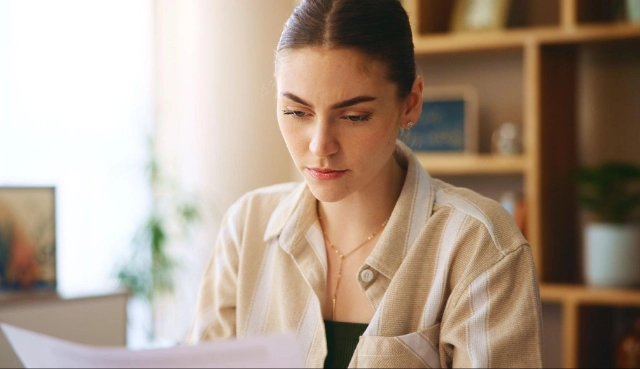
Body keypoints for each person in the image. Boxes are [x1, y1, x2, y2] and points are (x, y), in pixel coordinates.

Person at [188, 0, 543, 367]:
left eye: (355, 116)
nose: (320, 145)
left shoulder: (478, 246)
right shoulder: (247, 225)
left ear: (411, 103)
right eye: (296, 112)